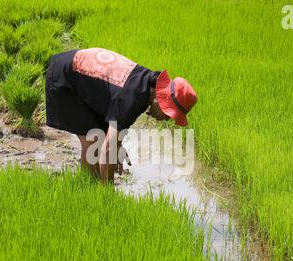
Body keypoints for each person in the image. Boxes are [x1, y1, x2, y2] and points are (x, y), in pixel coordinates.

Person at [45, 47, 198, 183]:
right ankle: (93, 192)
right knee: (93, 144)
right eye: (168, 114)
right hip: (65, 79)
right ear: (160, 100)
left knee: (102, 140)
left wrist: (116, 145)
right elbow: (107, 149)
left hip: (79, 77)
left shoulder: (145, 85)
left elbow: (114, 116)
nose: (166, 119)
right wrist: (109, 194)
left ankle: (92, 189)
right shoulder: (133, 98)